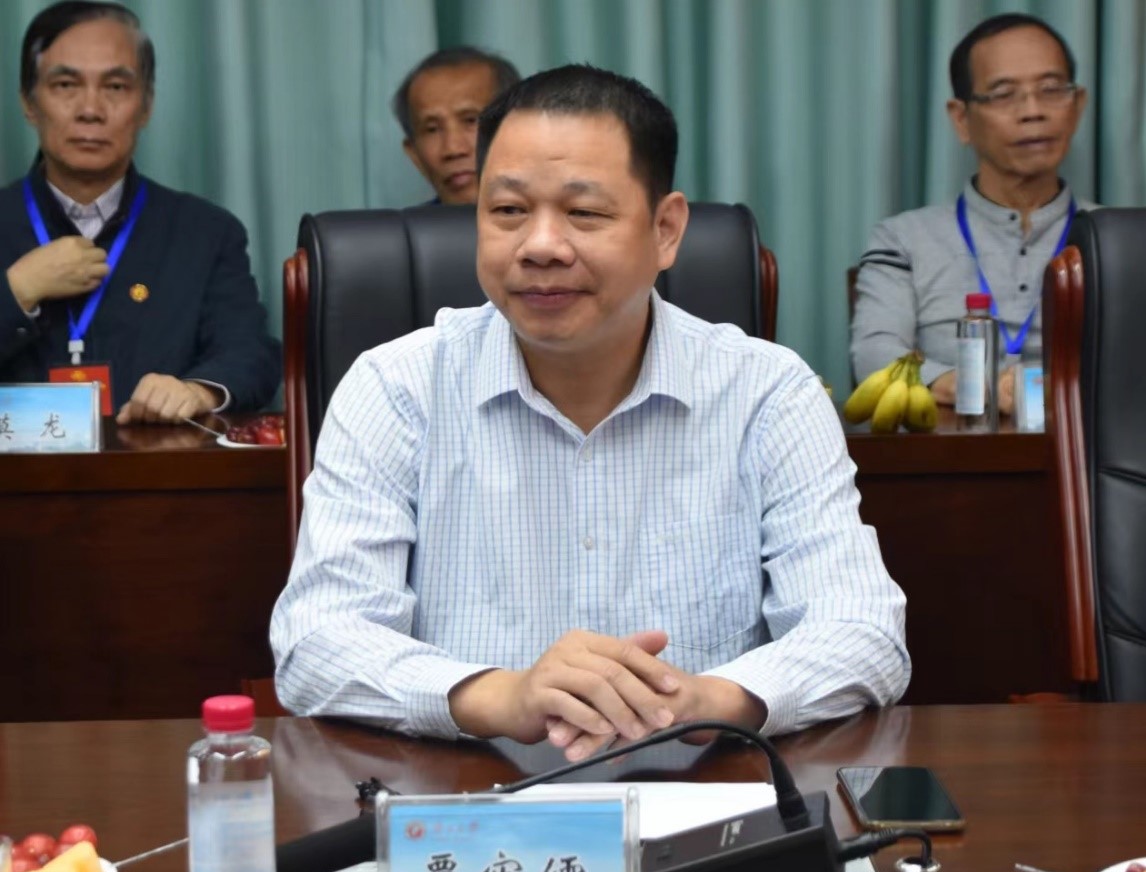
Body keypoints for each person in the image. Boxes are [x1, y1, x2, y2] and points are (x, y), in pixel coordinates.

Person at [272, 64, 909, 762]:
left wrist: (705, 701)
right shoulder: (395, 388)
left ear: (665, 230)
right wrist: (503, 697)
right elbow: (317, 641)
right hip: (467, 796)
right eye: (507, 211)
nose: (540, 245)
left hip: (706, 795)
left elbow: (863, 632)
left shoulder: (766, 392)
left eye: (584, 213)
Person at [1, 1, 280, 422]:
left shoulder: (205, 233)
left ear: (146, 105)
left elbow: (251, 352)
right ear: (28, 101)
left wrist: (199, 391)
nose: (90, 110)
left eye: (115, 87)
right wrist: (17, 291)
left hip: (156, 461)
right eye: (66, 85)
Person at [850, 13, 1094, 415]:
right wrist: (971, 386)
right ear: (961, 119)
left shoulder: (1122, 239)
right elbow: (874, 355)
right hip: (956, 447)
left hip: (1090, 446)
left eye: (1051, 89)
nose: (1033, 111)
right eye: (1004, 94)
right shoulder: (903, 240)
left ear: (1077, 105)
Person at [392, 46, 520, 206]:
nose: (453, 149)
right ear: (415, 156)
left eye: (471, 120)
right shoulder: (406, 223)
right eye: (432, 129)